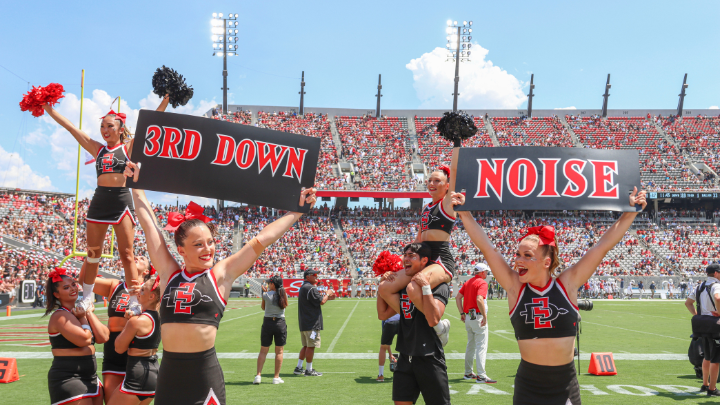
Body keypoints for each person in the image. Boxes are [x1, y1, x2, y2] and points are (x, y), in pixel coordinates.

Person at [125, 161, 317, 405]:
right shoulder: (168, 273)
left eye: (210, 242)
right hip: (169, 376)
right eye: (198, 244)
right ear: (181, 250)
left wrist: (296, 212)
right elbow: (149, 225)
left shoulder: (220, 275)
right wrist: (136, 186)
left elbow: (259, 242)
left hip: (205, 376)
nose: (208, 249)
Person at [456, 187, 646, 404]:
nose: (518, 260)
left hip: (564, 385)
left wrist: (630, 211)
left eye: (527, 255)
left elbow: (602, 247)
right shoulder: (515, 287)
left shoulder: (567, 283)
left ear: (547, 262)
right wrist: (464, 212)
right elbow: (487, 248)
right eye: (517, 254)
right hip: (528, 385)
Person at [42, 96, 169, 312]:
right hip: (100, 201)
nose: (104, 130)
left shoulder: (129, 147)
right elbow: (71, 128)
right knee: (93, 254)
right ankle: (88, 297)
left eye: (109, 126)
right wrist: (49, 109)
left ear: (120, 129)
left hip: (121, 199)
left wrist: (165, 101)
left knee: (126, 254)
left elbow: (151, 125)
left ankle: (134, 301)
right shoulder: (98, 149)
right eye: (102, 126)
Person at [377, 242, 451, 405]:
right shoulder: (402, 286)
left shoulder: (440, 286)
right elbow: (382, 314)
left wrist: (425, 288)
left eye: (412, 256)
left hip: (429, 356)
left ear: (424, 261)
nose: (406, 259)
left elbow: (433, 319)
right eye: (405, 255)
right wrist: (382, 284)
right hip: (405, 355)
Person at [77, 257, 154, 402]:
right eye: (135, 256)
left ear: (146, 271)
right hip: (113, 354)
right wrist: (91, 256)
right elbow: (83, 280)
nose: (137, 257)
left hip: (138, 352)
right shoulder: (115, 285)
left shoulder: (151, 289)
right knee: (112, 401)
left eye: (142, 258)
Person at [45, 268, 109, 405]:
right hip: (69, 377)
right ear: (56, 294)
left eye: (73, 284)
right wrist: (83, 319)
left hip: (91, 376)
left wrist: (89, 313)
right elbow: (85, 340)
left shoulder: (79, 311)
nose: (73, 289)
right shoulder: (60, 316)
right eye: (66, 287)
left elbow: (103, 337)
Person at [110, 275, 162, 405]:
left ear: (152, 297)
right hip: (155, 373)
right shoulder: (160, 316)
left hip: (138, 374)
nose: (139, 291)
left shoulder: (136, 321)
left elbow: (119, 348)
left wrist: (128, 322)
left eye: (143, 290)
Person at [685, 263, 720, 396]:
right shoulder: (716, 285)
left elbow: (688, 303)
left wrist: (697, 315)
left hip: (702, 324)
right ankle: (712, 388)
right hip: (715, 325)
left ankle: (705, 384)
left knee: (707, 356)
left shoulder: (699, 286)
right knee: (716, 358)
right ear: (716, 273)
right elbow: (717, 297)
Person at [456, 263, 495, 384]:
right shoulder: (482, 283)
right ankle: (481, 376)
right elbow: (479, 299)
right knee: (481, 347)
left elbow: (458, 297)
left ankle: (468, 372)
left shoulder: (468, 282)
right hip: (477, 316)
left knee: (471, 346)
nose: (487, 274)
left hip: (468, 316)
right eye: (486, 272)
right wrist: (484, 316)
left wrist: (462, 313)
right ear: (482, 272)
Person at [295, 269, 335, 376]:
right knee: (311, 346)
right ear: (308, 277)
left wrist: (328, 297)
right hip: (311, 323)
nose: (317, 277)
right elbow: (321, 301)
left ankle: (299, 367)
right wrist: (327, 294)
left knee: (305, 346)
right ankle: (309, 369)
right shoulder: (310, 288)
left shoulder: (304, 287)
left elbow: (317, 300)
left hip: (305, 322)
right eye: (314, 275)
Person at [255, 275, 289, 385]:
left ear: (273, 284)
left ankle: (258, 376)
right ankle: (276, 377)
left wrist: (264, 294)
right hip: (280, 323)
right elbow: (285, 306)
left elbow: (263, 308)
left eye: (270, 283)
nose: (268, 284)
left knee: (263, 350)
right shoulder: (283, 294)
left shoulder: (266, 295)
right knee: (279, 351)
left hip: (268, 322)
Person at [377, 313, 400, 382]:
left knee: (383, 347)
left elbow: (386, 344)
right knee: (406, 347)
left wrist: (390, 354)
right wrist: (390, 354)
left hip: (389, 322)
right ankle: (408, 375)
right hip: (402, 323)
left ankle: (381, 375)